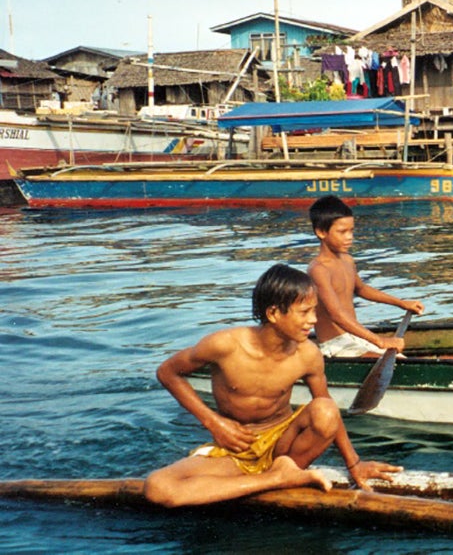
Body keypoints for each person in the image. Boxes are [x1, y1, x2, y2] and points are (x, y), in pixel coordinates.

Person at [143, 264, 401, 507]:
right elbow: (167, 372)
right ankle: (276, 479)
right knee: (158, 487)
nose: (313, 320)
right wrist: (213, 422)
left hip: (284, 448)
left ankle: (283, 470)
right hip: (236, 450)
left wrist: (354, 464)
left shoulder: (308, 354)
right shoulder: (224, 345)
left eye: (314, 310)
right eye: (304, 312)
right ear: (274, 313)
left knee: (324, 409)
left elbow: (329, 413)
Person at [308, 195, 424, 358]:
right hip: (335, 345)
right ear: (321, 232)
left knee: (400, 359)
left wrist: (402, 303)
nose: (349, 237)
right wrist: (380, 341)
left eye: (351, 230)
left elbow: (361, 289)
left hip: (355, 338)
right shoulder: (318, 269)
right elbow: (337, 314)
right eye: (342, 232)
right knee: (397, 362)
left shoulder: (347, 259)